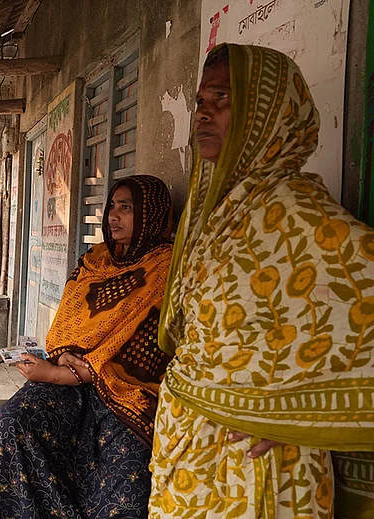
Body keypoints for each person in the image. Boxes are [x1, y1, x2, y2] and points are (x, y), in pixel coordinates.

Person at [150, 43, 374, 519]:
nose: (203, 115)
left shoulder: (293, 214)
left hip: (260, 466)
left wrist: (301, 413)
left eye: (222, 99)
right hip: (191, 451)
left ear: (267, 114)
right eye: (199, 102)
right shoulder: (212, 211)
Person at [0, 175, 174, 518]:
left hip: (124, 391)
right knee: (12, 424)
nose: (113, 215)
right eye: (112, 206)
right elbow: (69, 322)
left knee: (125, 471)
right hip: (67, 374)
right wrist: (63, 353)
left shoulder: (163, 267)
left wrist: (66, 374)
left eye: (126, 208)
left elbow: (144, 347)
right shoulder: (95, 261)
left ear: (150, 215)